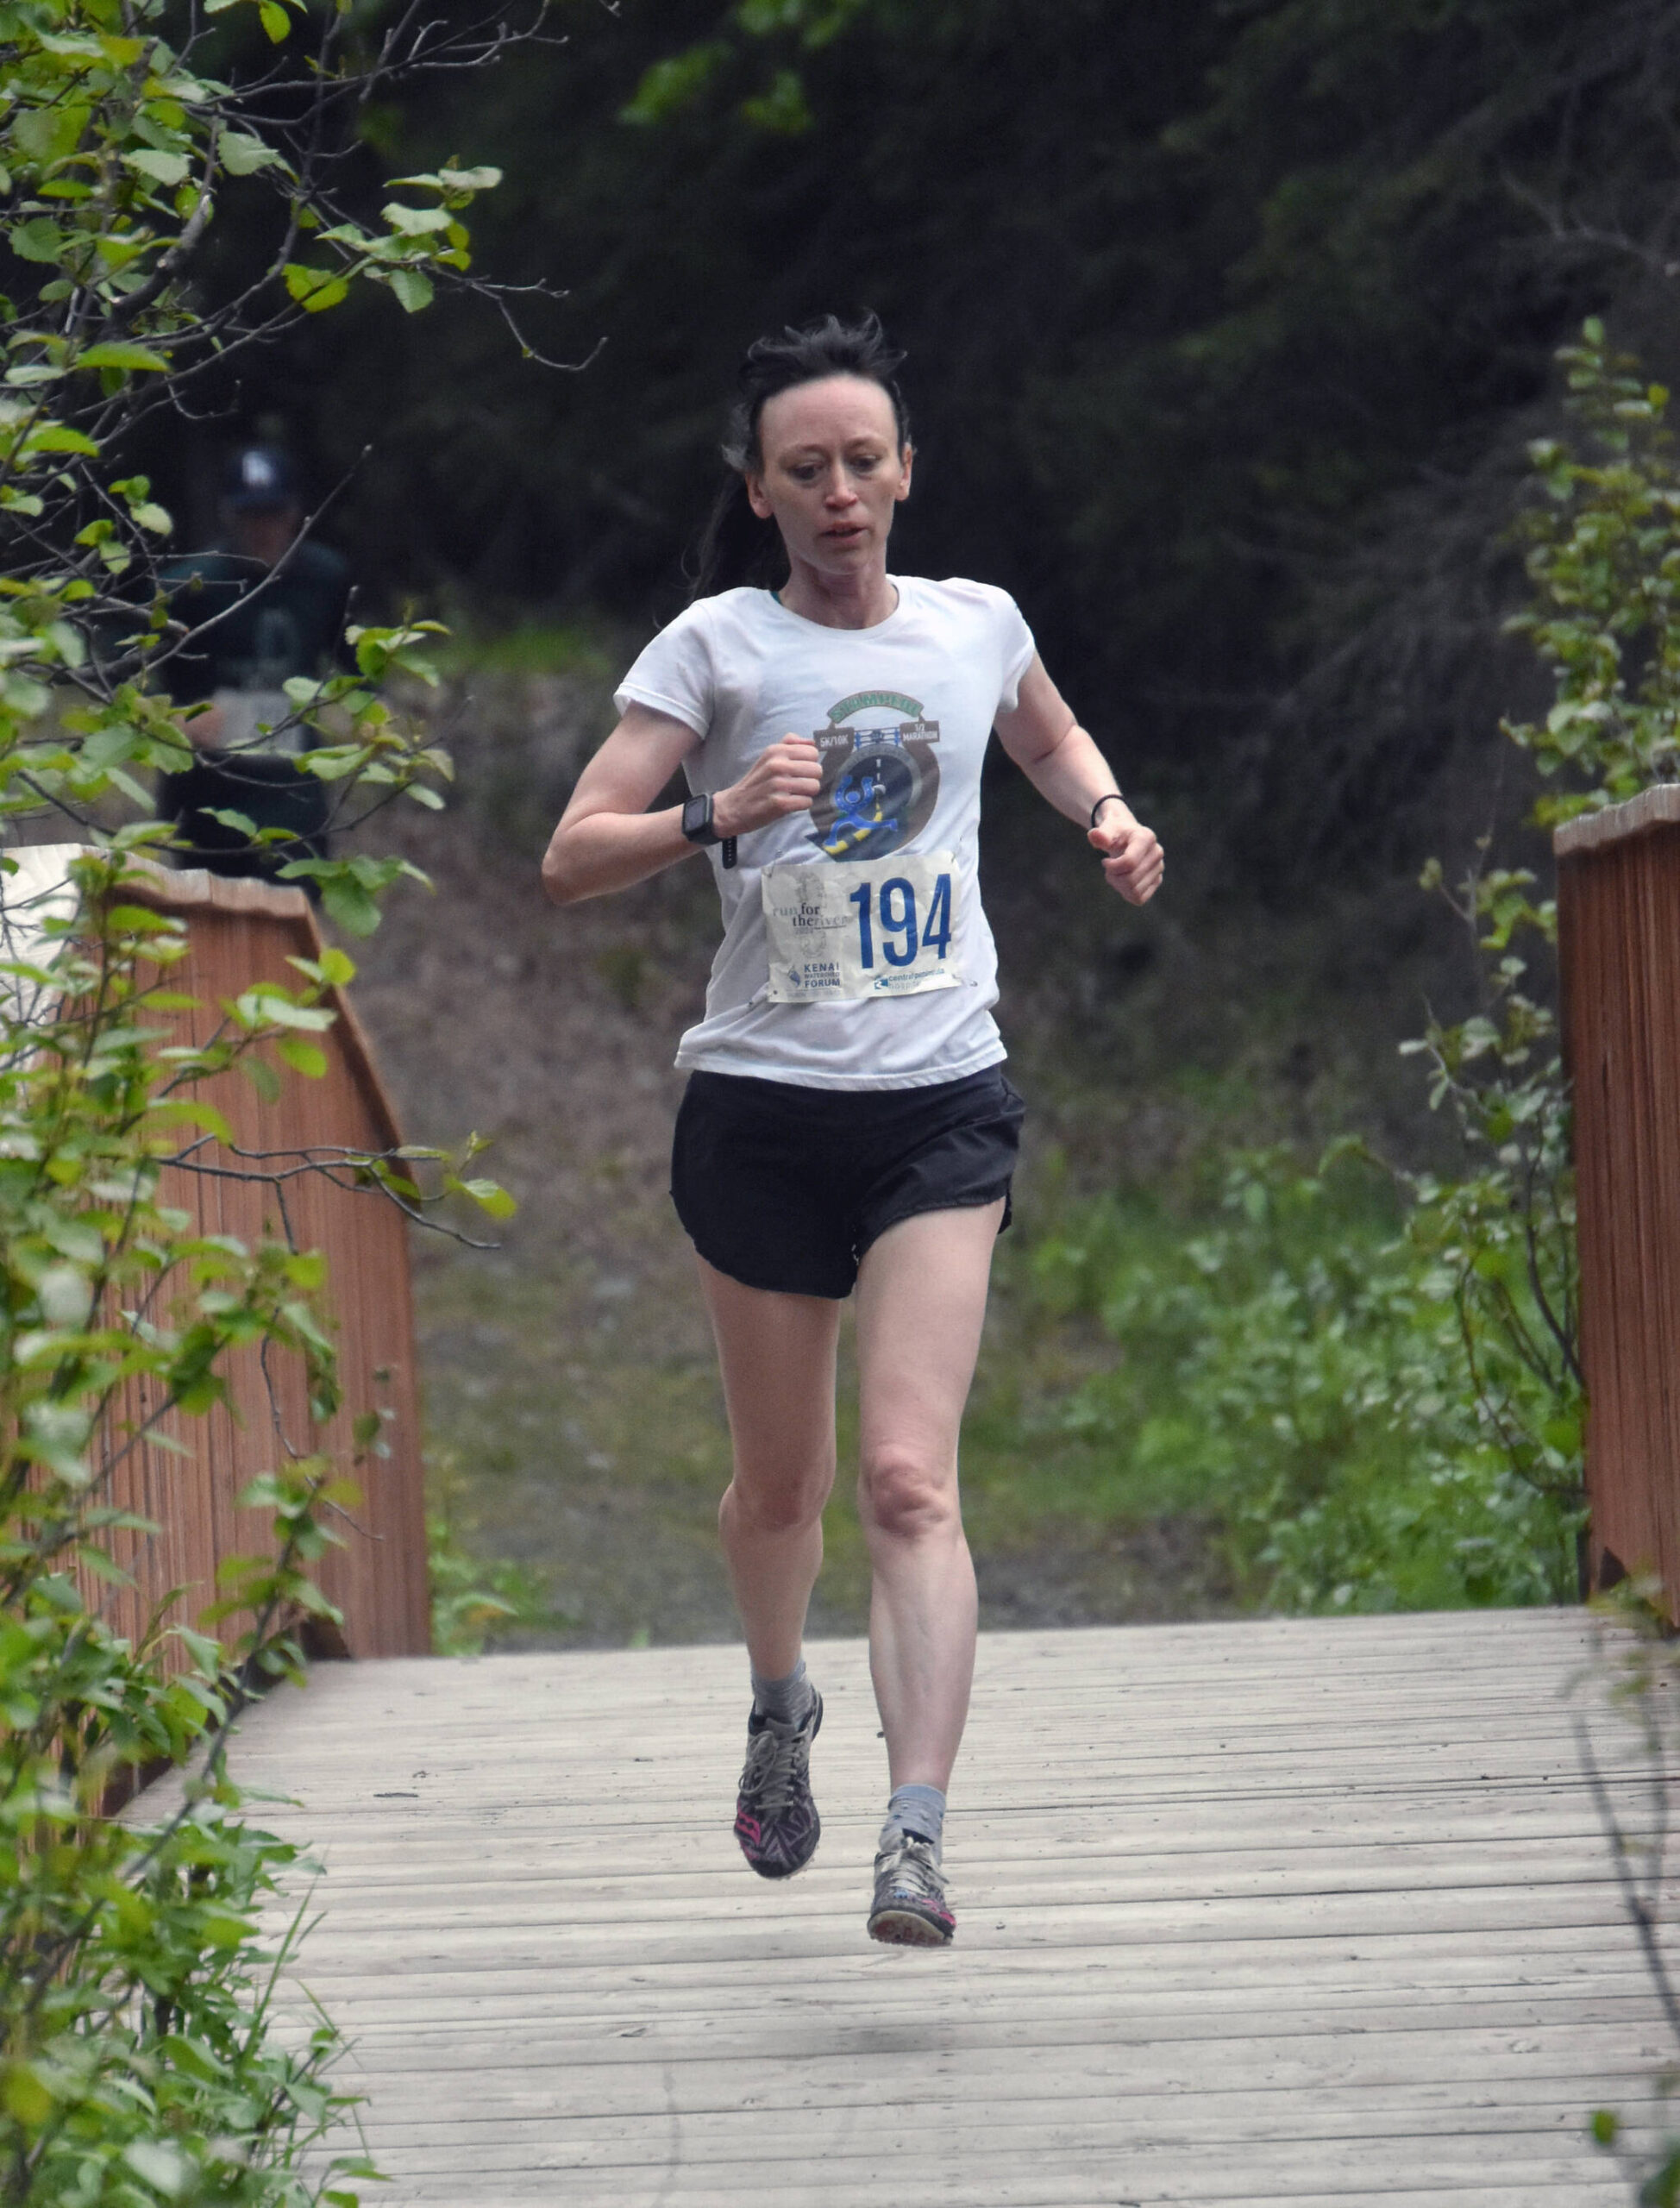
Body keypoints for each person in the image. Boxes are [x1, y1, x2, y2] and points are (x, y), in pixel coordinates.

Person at [541, 315, 1163, 1946]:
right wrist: (715, 813)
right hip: (762, 1111)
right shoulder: (715, 650)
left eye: (861, 463)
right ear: (757, 490)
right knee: (782, 1490)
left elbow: (1042, 731)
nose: (837, 493)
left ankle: (916, 1832)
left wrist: (1105, 813)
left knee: (903, 1480)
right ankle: (778, 1703)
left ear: (904, 474)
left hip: (938, 1101)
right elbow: (572, 852)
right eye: (802, 468)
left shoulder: (976, 626)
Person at [159, 444, 350, 882]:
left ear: (294, 514)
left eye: (273, 514)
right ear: (229, 516)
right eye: (251, 516)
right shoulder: (189, 587)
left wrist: (354, 713)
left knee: (293, 907)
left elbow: (361, 668)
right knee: (211, 909)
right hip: (210, 791)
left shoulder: (326, 578)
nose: (263, 529)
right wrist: (176, 720)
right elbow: (134, 671)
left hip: (293, 792)